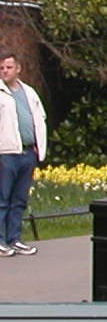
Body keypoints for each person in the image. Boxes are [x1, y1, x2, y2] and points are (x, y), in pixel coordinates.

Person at [0, 52, 46, 257]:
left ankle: (14, 238)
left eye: (9, 67)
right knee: (3, 198)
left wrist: (37, 146)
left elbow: (39, 118)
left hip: (27, 152)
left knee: (19, 199)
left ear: (18, 69)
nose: (5, 71)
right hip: (6, 153)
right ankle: (1, 240)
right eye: (1, 68)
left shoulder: (29, 92)